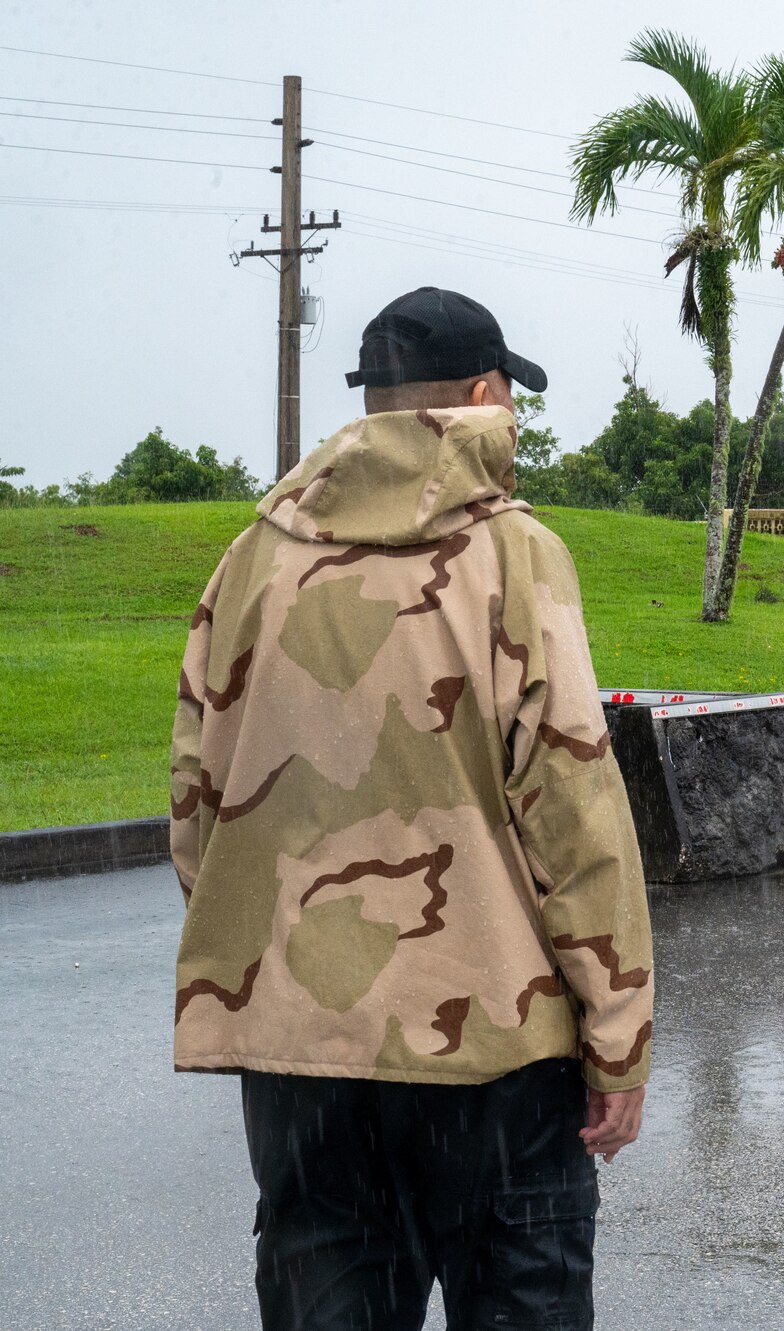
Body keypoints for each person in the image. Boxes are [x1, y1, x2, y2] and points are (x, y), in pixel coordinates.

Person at [170, 287, 655, 1328]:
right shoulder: (516, 556)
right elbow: (572, 810)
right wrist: (617, 1036)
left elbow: (195, 798)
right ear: (484, 395)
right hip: (495, 1055)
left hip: (306, 1059)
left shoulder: (254, 555)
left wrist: (277, 959)